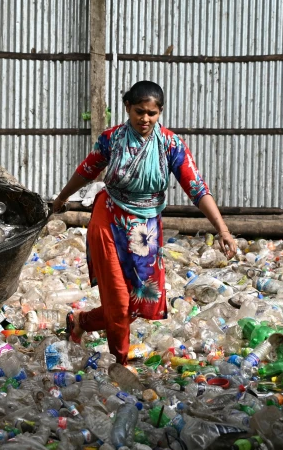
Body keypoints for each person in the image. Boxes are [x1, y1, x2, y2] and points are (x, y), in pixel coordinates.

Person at [53, 80, 238, 365]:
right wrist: (62, 198)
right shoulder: (112, 139)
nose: (145, 119)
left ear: (160, 112)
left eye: (152, 113)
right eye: (139, 111)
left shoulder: (170, 144)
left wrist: (222, 230)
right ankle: (120, 363)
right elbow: (87, 170)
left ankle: (80, 320)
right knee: (118, 299)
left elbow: (197, 188)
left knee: (139, 301)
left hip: (145, 228)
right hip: (110, 219)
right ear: (127, 107)